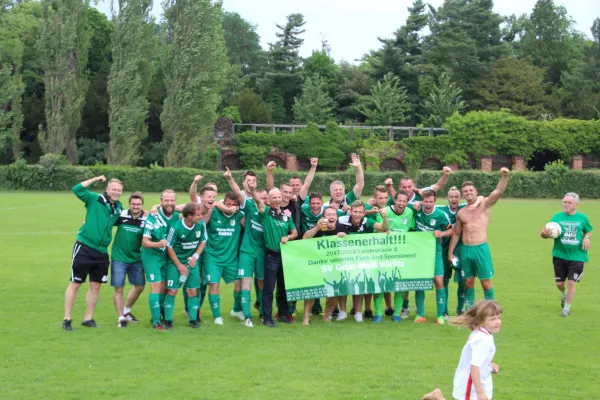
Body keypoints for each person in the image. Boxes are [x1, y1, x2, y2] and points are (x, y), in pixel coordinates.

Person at [63, 176, 123, 331]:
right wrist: (96, 179)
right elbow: (77, 189)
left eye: (119, 190)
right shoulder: (94, 199)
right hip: (84, 247)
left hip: (102, 251)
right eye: (114, 189)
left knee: (96, 285)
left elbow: (124, 218)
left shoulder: (118, 207)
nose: (116, 192)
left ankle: (88, 318)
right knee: (75, 283)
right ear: (107, 189)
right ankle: (67, 319)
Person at [448, 169, 509, 308]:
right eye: (466, 191)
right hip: (466, 250)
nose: (468, 193)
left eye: (471, 190)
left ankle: (492, 309)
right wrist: (450, 253)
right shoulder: (461, 212)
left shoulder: (485, 204)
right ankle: (470, 311)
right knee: (468, 282)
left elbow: (498, 191)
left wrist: (505, 176)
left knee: (485, 282)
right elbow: (456, 234)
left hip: (481, 249)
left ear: (476, 192)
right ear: (463, 194)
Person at [422, 300, 502, 400]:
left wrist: (489, 364)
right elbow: (474, 366)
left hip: (477, 381)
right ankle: (437, 397)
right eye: (492, 319)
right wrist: (480, 393)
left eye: (499, 317)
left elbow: (477, 356)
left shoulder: (483, 333)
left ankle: (437, 397)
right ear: (481, 321)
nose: (498, 322)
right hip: (471, 385)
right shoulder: (483, 339)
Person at [249, 185, 298, 328]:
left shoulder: (286, 215)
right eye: (274, 197)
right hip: (271, 256)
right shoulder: (265, 212)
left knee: (283, 288)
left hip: (284, 256)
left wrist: (288, 237)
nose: (277, 200)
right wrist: (252, 190)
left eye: (278, 197)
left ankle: (283, 314)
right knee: (269, 289)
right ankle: (267, 318)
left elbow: (295, 232)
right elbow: (258, 201)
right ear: (269, 200)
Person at [223, 168, 266, 327]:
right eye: (248, 180)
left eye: (253, 181)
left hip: (262, 252)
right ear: (244, 182)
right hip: (244, 248)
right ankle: (246, 316)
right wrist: (229, 178)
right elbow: (236, 195)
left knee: (262, 283)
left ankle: (261, 312)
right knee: (243, 283)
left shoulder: (267, 211)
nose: (251, 183)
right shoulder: (247, 204)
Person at [540, 192, 592, 317]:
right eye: (565, 202)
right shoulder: (556, 217)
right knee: (560, 284)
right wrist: (544, 234)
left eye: (569, 202)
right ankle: (564, 294)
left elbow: (588, 230)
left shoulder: (582, 218)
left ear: (576, 205)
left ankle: (566, 308)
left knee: (571, 282)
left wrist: (587, 237)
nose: (566, 204)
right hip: (559, 255)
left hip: (577, 256)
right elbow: (544, 234)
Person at [338, 200, 390, 322]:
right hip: (344, 258)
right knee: (343, 283)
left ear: (364, 213)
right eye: (355, 211)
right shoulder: (341, 220)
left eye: (360, 212)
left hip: (362, 260)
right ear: (350, 211)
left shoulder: (368, 221)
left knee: (359, 283)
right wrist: (338, 234)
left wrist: (385, 217)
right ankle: (343, 311)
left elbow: (384, 228)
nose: (357, 214)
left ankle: (358, 312)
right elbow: (331, 230)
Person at [437, 187, 484, 317]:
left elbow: (481, 198)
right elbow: (425, 205)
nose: (454, 199)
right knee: (444, 280)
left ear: (460, 198)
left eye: (456, 197)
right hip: (445, 249)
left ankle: (460, 309)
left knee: (464, 281)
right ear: (447, 198)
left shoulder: (465, 207)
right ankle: (444, 310)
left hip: (462, 249)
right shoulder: (440, 209)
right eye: (451, 197)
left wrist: (476, 201)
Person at [411, 190, 453, 325]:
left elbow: (451, 230)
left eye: (431, 201)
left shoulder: (440, 215)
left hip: (435, 251)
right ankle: (420, 314)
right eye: (425, 201)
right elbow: (401, 204)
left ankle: (440, 315)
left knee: (438, 281)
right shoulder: (416, 210)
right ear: (422, 201)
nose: (428, 204)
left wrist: (442, 233)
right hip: (419, 252)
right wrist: (415, 205)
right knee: (420, 281)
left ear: (435, 201)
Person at [203, 191, 245, 325]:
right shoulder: (214, 211)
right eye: (228, 204)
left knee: (240, 284)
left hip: (231, 258)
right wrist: (219, 206)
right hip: (213, 257)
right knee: (214, 285)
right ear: (223, 202)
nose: (231, 206)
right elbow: (203, 222)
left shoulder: (239, 215)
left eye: (234, 204)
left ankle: (237, 310)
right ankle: (217, 317)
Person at [372, 190, 414, 322]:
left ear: (407, 203)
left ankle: (396, 313)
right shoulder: (384, 211)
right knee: (380, 282)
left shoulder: (410, 212)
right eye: (399, 200)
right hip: (383, 253)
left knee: (399, 284)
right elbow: (377, 230)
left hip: (401, 254)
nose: (401, 203)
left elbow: (411, 231)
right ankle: (378, 313)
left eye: (404, 201)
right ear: (394, 200)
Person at [164, 203, 208, 329]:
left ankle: (193, 320)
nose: (201, 217)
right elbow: (169, 246)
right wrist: (178, 265)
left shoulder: (201, 225)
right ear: (189, 216)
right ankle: (168, 320)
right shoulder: (176, 227)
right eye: (198, 215)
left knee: (192, 291)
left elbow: (203, 241)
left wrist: (195, 256)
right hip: (175, 261)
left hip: (191, 262)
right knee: (172, 291)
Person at [302, 207, 348, 325]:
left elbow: (350, 246)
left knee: (335, 291)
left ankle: (326, 316)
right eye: (328, 214)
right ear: (324, 217)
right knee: (312, 291)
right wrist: (317, 227)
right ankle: (306, 318)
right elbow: (305, 238)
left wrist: (345, 236)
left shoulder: (342, 228)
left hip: (334, 266)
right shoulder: (319, 228)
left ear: (337, 217)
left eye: (334, 214)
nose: (331, 217)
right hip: (318, 265)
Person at [141, 189, 179, 330]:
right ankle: (156, 321)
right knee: (156, 287)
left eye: (172, 200)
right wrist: (158, 244)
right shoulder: (153, 217)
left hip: (166, 256)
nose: (169, 203)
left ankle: (159, 314)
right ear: (161, 201)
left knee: (164, 288)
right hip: (152, 256)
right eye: (166, 200)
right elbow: (145, 242)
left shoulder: (176, 215)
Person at [110, 192, 147, 328]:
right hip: (119, 258)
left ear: (142, 205)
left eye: (138, 204)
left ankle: (126, 310)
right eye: (133, 204)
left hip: (136, 258)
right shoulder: (121, 215)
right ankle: (121, 318)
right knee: (119, 288)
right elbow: (105, 220)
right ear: (129, 204)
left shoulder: (146, 219)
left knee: (140, 286)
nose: (135, 206)